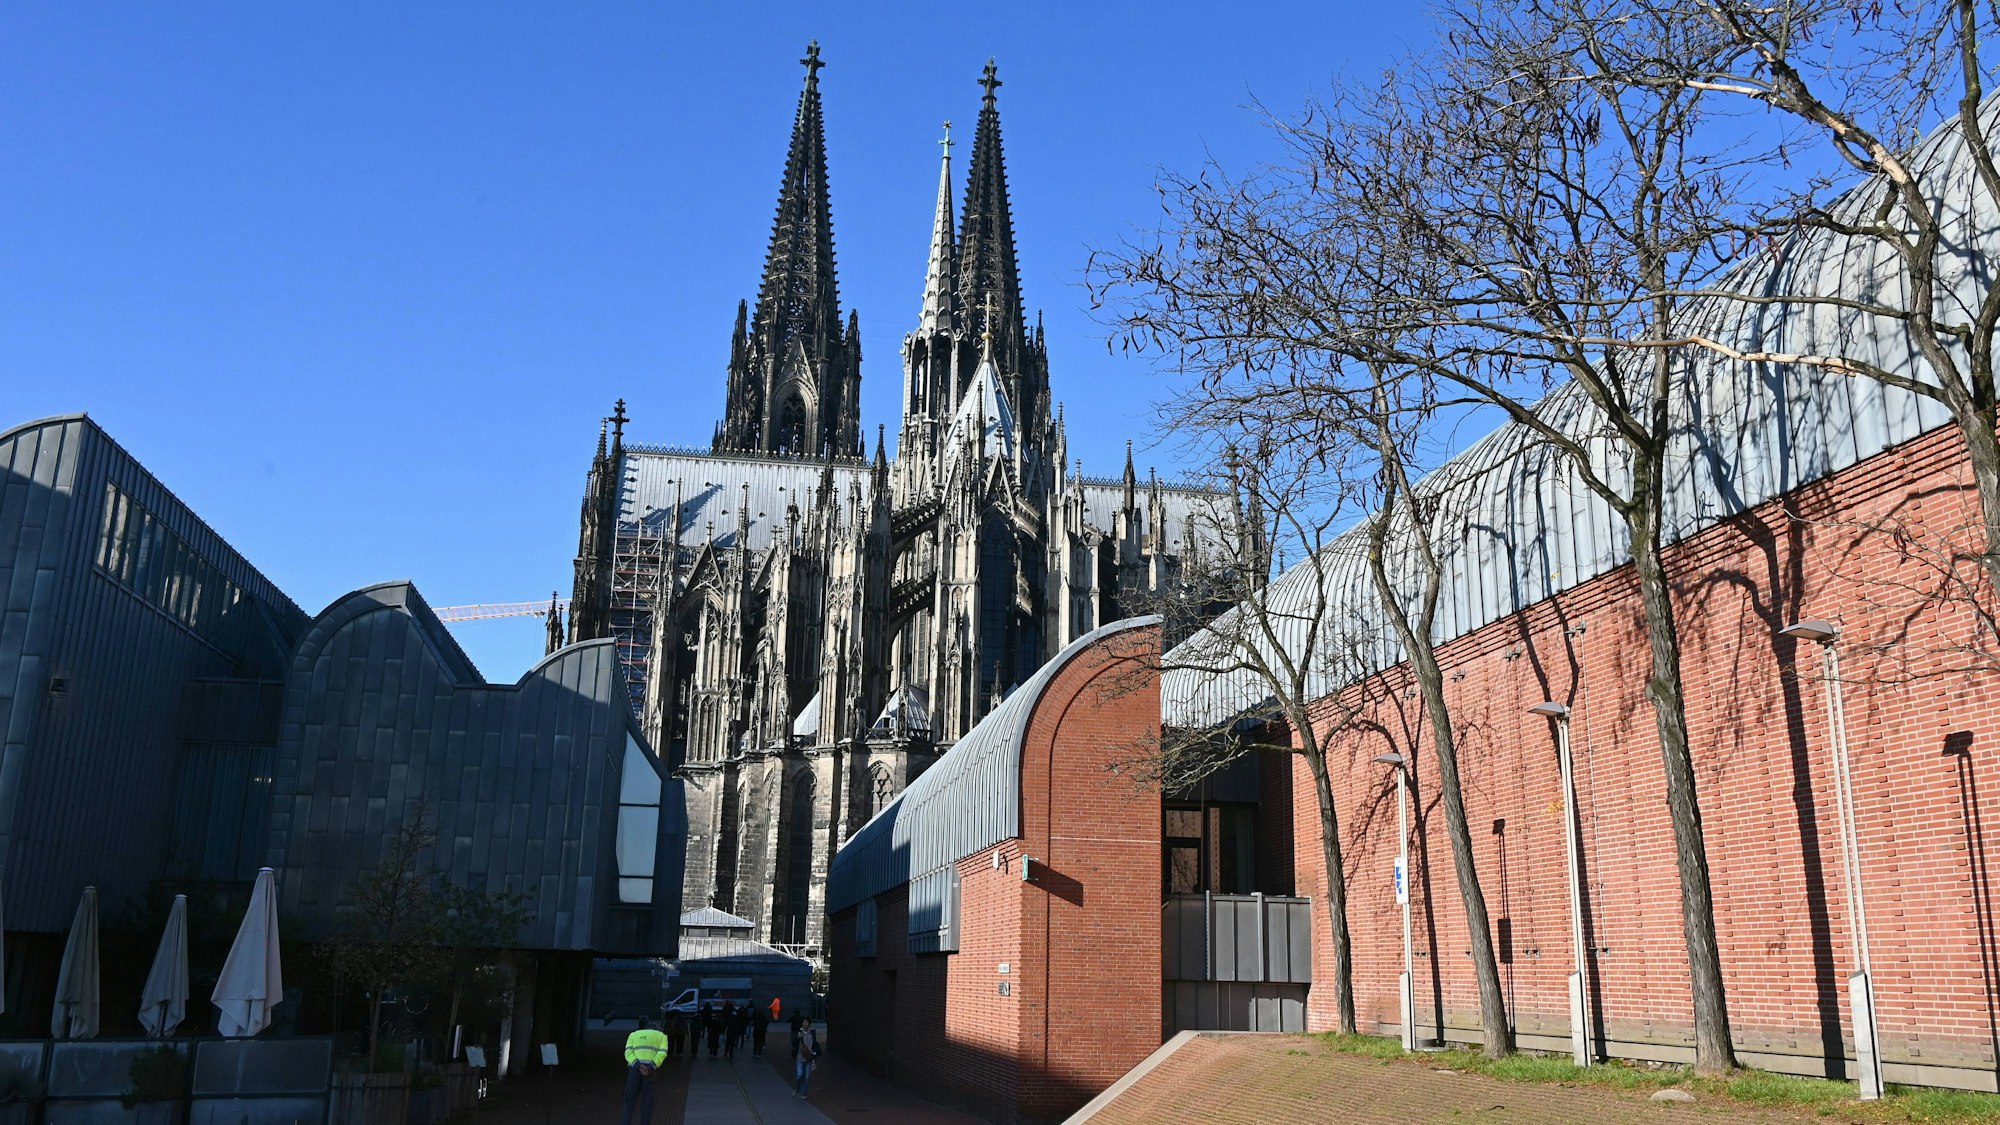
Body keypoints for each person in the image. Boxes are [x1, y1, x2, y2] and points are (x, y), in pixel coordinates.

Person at [622, 1019, 668, 1125]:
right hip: (650, 1073)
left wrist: (638, 1066)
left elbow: (628, 1052)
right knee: (647, 1102)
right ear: (655, 1029)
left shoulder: (633, 1035)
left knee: (629, 1101)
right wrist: (650, 1067)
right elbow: (662, 1054)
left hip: (634, 1071)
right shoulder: (662, 1036)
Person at [793, 1023, 821, 1099]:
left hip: (808, 1058)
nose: (804, 1024)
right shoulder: (800, 1033)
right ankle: (797, 1088)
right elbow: (794, 1044)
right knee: (799, 1075)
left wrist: (814, 1057)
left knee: (806, 1077)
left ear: (809, 1025)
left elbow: (815, 1045)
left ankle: (804, 1093)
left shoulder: (812, 1034)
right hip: (800, 1058)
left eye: (806, 1022)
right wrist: (798, 1038)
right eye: (803, 1022)